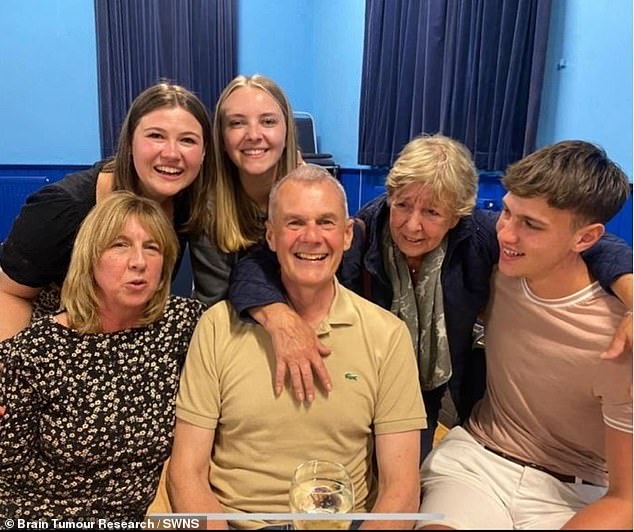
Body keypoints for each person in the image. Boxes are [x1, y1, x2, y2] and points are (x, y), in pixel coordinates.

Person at [228, 134, 633, 458]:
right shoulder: (361, 233)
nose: (412, 226)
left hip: (426, 397)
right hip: (355, 383)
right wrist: (279, 317)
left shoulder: (480, 238)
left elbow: (593, 245)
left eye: (433, 213)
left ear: (458, 215)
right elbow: (254, 265)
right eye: (403, 205)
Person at [168, 165, 426, 530]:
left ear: (348, 235)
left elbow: (400, 488)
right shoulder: (216, 328)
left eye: (325, 222)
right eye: (294, 223)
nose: (311, 237)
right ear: (270, 237)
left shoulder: (387, 335)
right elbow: (186, 473)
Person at [418, 140, 632, 530]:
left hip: (575, 492)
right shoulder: (499, 274)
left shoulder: (621, 337)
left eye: (531, 225)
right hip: (477, 461)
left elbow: (626, 497)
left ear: (585, 238)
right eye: (506, 212)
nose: (506, 235)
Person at [0, 192, 204, 521]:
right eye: (119, 245)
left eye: (151, 247)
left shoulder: (184, 325)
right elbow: (8, 476)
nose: (138, 262)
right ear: (90, 257)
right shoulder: (35, 352)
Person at [0, 81, 212, 341]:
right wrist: (14, 368)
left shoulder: (189, 204)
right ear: (130, 141)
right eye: (156, 135)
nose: (171, 153)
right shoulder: (62, 207)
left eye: (187, 140)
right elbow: (9, 292)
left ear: (203, 153)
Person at [188, 73, 299, 306]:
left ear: (287, 132)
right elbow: (215, 308)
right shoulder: (209, 212)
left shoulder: (317, 197)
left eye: (268, 121)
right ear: (222, 139)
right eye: (237, 123)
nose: (254, 136)